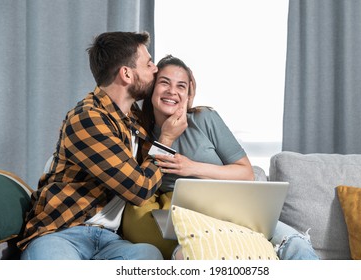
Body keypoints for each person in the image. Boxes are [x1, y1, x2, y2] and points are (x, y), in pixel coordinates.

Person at [128, 54, 319, 260]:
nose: (172, 91)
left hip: (238, 211)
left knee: (297, 245)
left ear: (188, 93)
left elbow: (246, 174)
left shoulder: (204, 119)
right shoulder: (141, 132)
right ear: (151, 88)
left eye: (181, 86)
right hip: (191, 220)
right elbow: (142, 181)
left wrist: (191, 167)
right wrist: (167, 136)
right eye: (164, 83)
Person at [17, 32, 188, 260]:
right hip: (62, 233)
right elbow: (140, 189)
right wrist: (166, 140)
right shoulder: (87, 118)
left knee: (149, 255)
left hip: (109, 240)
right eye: (148, 64)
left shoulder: (134, 118)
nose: (155, 69)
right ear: (126, 74)